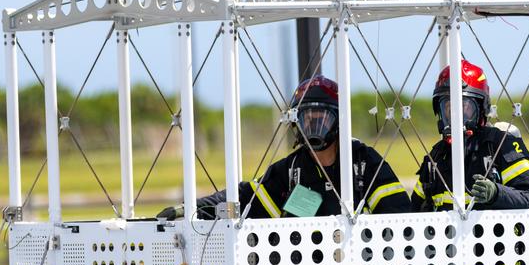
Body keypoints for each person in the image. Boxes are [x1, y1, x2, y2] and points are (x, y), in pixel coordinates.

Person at [159, 75, 410, 219]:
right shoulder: (290, 170)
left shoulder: (366, 163)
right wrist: (188, 209)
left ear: (339, 120)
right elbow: (242, 197)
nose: (313, 128)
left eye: (321, 119)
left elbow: (400, 217)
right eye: (307, 119)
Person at [412, 60, 529, 211]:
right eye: (448, 107)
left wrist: (496, 193)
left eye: (464, 107)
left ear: (481, 108)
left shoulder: (500, 144)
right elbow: (414, 212)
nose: (455, 115)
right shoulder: (435, 158)